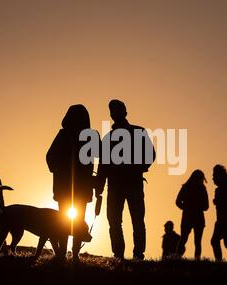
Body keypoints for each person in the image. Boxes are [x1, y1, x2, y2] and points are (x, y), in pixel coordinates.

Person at [96, 99, 155, 260]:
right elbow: (103, 164)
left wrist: (138, 168)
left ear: (124, 112)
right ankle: (121, 255)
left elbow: (150, 155)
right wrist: (99, 186)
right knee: (118, 221)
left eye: (116, 110)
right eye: (112, 110)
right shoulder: (113, 137)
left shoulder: (135, 133)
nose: (114, 113)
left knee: (133, 220)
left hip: (128, 184)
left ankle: (133, 254)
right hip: (119, 185)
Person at [46, 104, 99, 263]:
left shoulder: (67, 135)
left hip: (72, 186)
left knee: (66, 219)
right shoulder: (88, 135)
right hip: (75, 186)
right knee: (73, 220)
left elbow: (50, 158)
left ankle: (67, 253)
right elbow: (50, 158)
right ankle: (69, 253)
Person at [175, 170, 209, 260]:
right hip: (195, 217)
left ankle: (177, 258)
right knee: (194, 241)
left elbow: (178, 202)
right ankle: (191, 259)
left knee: (185, 240)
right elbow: (206, 206)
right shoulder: (201, 189)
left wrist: (186, 208)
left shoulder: (187, 187)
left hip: (190, 217)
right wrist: (188, 208)